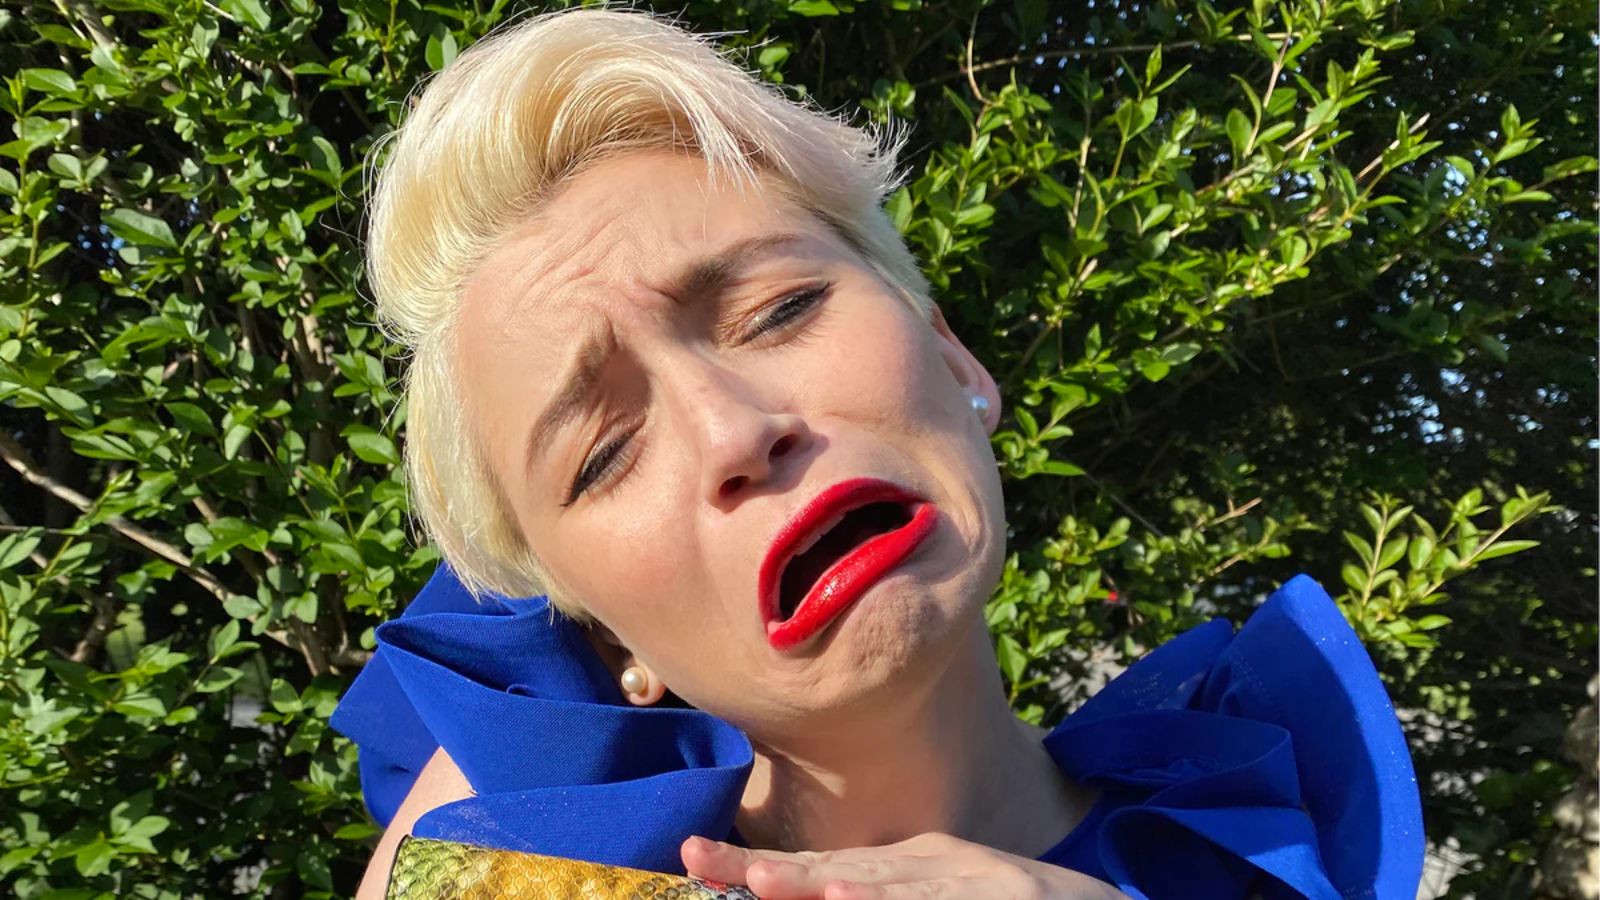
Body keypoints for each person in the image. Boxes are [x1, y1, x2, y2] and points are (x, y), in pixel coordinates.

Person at [330, 7, 1425, 898]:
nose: (734, 430)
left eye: (779, 310)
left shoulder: (1286, 860)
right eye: (605, 454)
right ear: (604, 634)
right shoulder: (531, 889)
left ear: (954, 357)